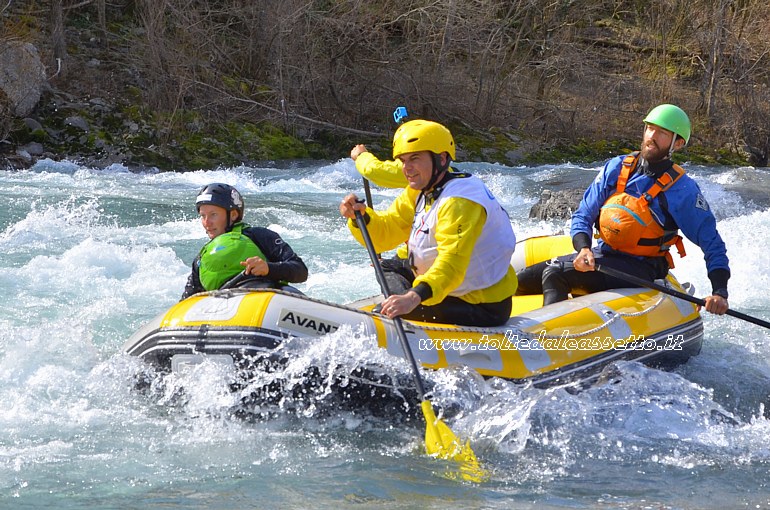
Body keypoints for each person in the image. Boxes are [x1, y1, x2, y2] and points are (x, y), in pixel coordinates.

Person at [517, 104, 729, 315]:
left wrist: (719, 292)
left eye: (662, 133)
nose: (651, 136)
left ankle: (552, 341)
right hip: (604, 254)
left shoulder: (683, 190)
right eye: (650, 128)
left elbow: (712, 243)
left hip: (641, 267)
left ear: (678, 144)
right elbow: (584, 214)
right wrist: (583, 248)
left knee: (555, 274)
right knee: (520, 280)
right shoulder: (617, 167)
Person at [339, 119, 518, 326]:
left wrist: (414, 296)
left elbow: (451, 264)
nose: (407, 168)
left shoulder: (460, 202)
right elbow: (387, 232)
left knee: (384, 312)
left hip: (481, 304)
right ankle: (409, 302)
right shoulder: (420, 190)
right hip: (444, 288)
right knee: (388, 267)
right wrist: (360, 218)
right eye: (403, 160)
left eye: (415, 158)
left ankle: (411, 304)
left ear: (441, 158)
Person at [181, 183, 308, 300]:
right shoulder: (201, 259)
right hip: (226, 311)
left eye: (213, 214)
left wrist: (269, 268)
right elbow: (186, 302)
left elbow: (300, 271)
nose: (207, 222)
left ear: (233, 215)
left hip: (267, 298)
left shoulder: (259, 236)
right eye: (203, 216)